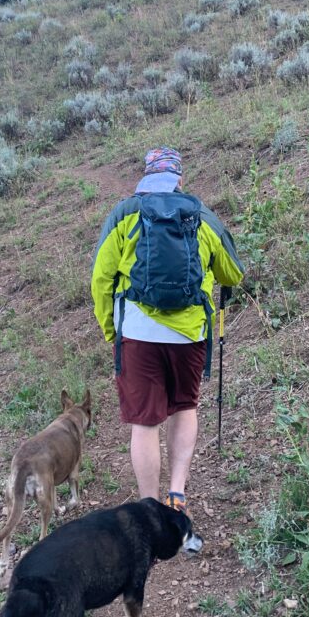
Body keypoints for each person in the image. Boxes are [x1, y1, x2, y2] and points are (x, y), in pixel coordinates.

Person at [91, 147, 243, 513]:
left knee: (144, 423)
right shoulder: (201, 216)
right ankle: (177, 493)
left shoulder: (125, 214)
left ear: (147, 176)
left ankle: (148, 506)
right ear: (180, 178)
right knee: (184, 407)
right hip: (189, 335)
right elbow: (233, 274)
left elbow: (100, 279)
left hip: (138, 335)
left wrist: (112, 331)